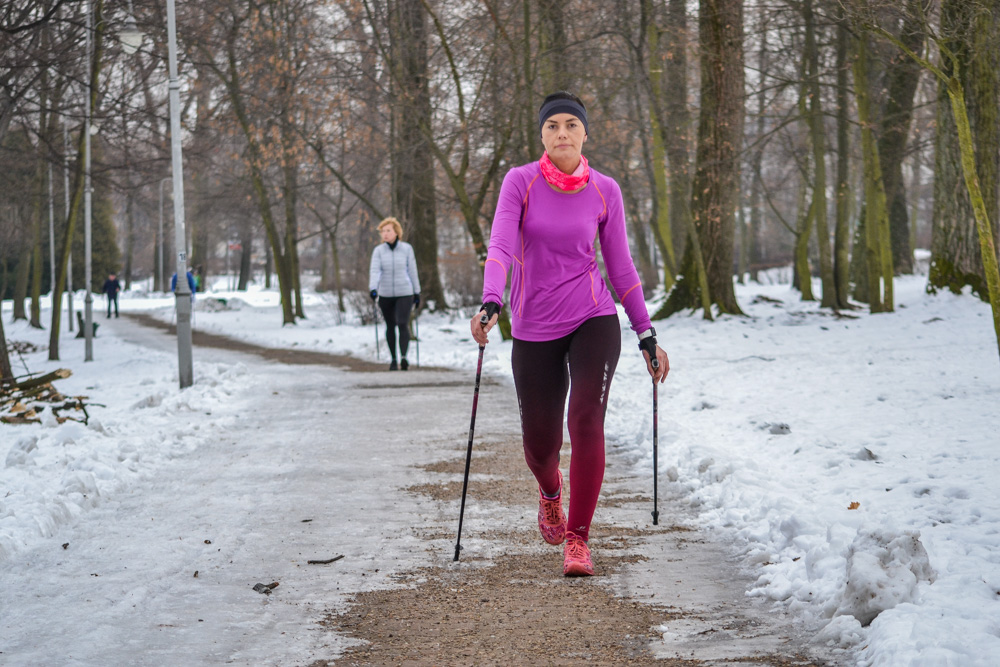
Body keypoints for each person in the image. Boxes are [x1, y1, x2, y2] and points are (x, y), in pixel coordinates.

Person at [470, 91, 669, 577]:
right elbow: (499, 244)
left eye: (571, 125)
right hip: (534, 324)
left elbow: (620, 265)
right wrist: (491, 299)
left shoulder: (605, 189)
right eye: (553, 125)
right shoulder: (520, 182)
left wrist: (645, 332)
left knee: (585, 420)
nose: (562, 132)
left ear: (585, 133)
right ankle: (550, 491)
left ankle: (578, 540)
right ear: (542, 134)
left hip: (592, 316)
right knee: (540, 446)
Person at [369, 217, 420, 370]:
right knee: (390, 325)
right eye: (383, 231)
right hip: (385, 294)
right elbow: (375, 270)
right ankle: (393, 359)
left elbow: (412, 270)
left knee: (402, 323)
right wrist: (373, 288)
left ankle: (404, 357)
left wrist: (417, 291)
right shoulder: (378, 251)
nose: (385, 234)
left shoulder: (407, 249)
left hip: (404, 292)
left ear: (396, 232)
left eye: (388, 231)